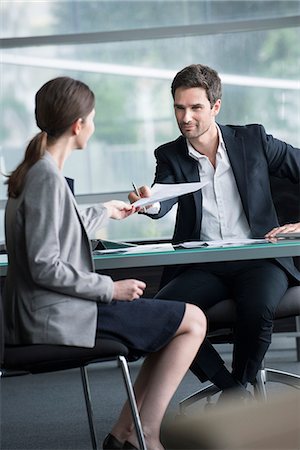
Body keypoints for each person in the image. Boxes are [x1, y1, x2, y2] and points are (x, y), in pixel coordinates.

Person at [3, 76, 207, 450]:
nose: (93, 127)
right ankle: (144, 434)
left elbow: (53, 221)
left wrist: (103, 211)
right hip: (57, 319)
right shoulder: (47, 179)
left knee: (169, 321)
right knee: (193, 319)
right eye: (92, 119)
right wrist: (110, 289)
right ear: (79, 125)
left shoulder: (36, 170)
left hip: (45, 312)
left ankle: (128, 433)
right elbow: (44, 265)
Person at [128, 64, 300, 400]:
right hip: (204, 263)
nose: (185, 117)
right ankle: (233, 389)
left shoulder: (253, 139)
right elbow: (163, 196)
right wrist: (147, 203)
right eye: (179, 108)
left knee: (258, 306)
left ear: (216, 107)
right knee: (161, 314)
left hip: (259, 258)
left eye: (195, 108)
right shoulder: (170, 155)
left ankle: (239, 387)